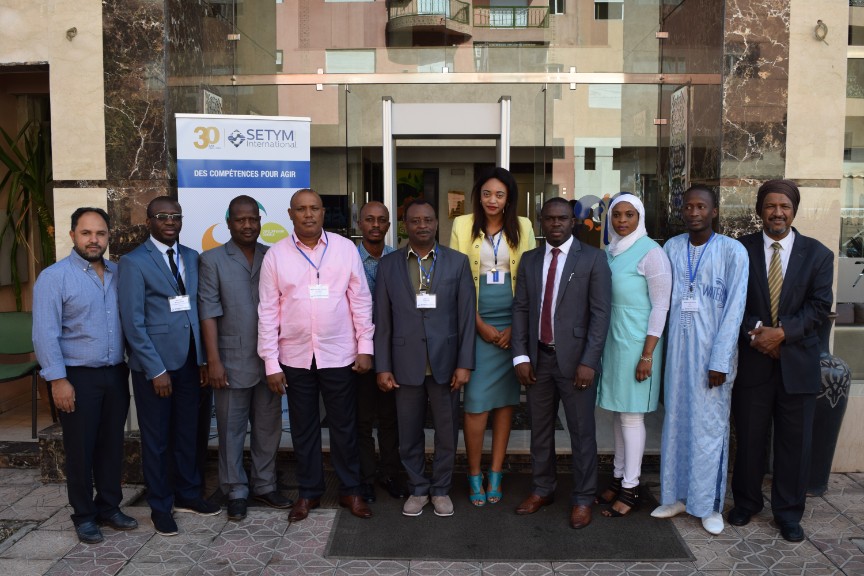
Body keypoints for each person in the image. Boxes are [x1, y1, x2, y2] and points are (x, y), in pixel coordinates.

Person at [258, 188, 374, 522]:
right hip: (294, 357)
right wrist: (270, 362)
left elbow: (361, 300)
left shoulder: (344, 249)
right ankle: (309, 493)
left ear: (324, 213)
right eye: (301, 209)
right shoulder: (276, 256)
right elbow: (267, 311)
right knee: (303, 429)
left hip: (339, 355)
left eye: (315, 208)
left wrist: (365, 347)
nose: (308, 215)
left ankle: (350, 490)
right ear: (290, 214)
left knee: (344, 427)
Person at [728, 180, 833, 542]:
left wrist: (782, 334)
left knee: (794, 443)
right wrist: (760, 334)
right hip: (754, 361)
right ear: (760, 210)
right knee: (751, 439)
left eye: (784, 207)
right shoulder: (740, 250)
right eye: (770, 206)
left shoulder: (818, 255)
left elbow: (819, 308)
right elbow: (732, 303)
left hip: (798, 365)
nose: (777, 213)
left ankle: (788, 513)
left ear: (794, 211)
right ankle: (746, 503)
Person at [32, 207, 137, 544]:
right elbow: (45, 333)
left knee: (111, 446)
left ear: (109, 236)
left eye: (101, 233)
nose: (94, 240)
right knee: (81, 449)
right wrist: (58, 380)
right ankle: (84, 515)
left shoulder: (119, 273)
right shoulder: (54, 277)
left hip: (115, 375)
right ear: (73, 235)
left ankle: (109, 507)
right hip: (77, 377)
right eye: (86, 233)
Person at [119, 196, 221, 537]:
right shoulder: (134, 263)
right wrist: (156, 370)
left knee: (188, 434)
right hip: (156, 367)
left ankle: (189, 495)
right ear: (149, 220)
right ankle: (161, 505)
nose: (170, 222)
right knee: (158, 440)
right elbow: (133, 323)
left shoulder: (192, 257)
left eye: (175, 216)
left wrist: (204, 359)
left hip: (191, 363)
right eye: (162, 216)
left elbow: (195, 310)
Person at [650, 185, 748, 535]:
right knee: (676, 423)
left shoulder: (733, 252)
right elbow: (660, 301)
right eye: (688, 206)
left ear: (714, 211)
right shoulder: (671, 248)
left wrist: (720, 361)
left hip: (712, 358)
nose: (694, 212)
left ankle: (708, 505)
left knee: (710, 429)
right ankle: (675, 497)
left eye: (701, 207)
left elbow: (735, 309)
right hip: (677, 354)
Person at [511, 196, 612, 530]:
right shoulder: (529, 260)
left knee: (582, 433)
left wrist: (589, 362)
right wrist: (522, 355)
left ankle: (583, 498)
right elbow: (521, 309)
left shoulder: (594, 259)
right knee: (540, 431)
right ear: (541, 221)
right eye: (550, 218)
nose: (556, 224)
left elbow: (600, 315)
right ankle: (543, 489)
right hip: (539, 359)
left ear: (573, 221)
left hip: (576, 364)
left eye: (562, 218)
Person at [375, 199, 476, 517]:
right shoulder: (388, 265)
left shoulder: (458, 263)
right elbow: (382, 319)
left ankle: (442, 489)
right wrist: (383, 366)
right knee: (409, 432)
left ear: (437, 223)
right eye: (415, 220)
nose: (422, 225)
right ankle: (418, 488)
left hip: (446, 364)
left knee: (447, 432)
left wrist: (464, 363)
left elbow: (466, 318)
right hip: (405, 363)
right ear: (405, 225)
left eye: (428, 220)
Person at [198, 195, 293, 522]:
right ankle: (235, 488)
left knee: (269, 428)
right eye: (240, 219)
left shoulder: (274, 255)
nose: (248, 225)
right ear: (229, 223)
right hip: (230, 359)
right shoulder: (211, 259)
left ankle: (265, 485)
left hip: (270, 361)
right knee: (230, 429)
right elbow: (208, 311)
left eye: (253, 218)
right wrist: (213, 360)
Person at [449, 167, 535, 506]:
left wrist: (517, 327)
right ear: (478, 196)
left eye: (499, 194)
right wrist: (478, 325)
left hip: (513, 323)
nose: (493, 200)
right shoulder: (462, 224)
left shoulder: (524, 226)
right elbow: (456, 279)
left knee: (506, 404)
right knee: (475, 406)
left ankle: (496, 472)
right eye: (487, 194)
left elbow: (528, 278)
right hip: (477, 321)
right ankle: (473, 473)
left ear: (509, 197)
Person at [595, 194, 671, 517]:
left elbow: (661, 305)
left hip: (639, 343)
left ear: (640, 217)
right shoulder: (611, 251)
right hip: (614, 341)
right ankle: (617, 475)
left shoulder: (651, 252)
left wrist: (648, 354)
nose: (622, 221)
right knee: (617, 411)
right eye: (616, 215)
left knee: (632, 415)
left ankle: (631, 485)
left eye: (629, 215)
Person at [355, 201, 408, 503]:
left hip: (392, 353)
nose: (376, 225)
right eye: (369, 219)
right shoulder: (347, 258)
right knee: (362, 420)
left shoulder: (399, 260)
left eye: (382, 220)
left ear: (390, 225)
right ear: (359, 223)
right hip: (358, 354)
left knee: (390, 419)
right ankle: (364, 478)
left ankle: (390, 473)